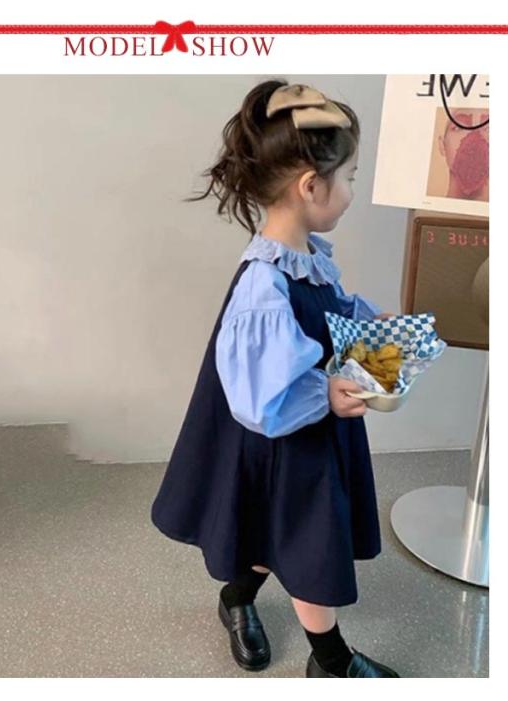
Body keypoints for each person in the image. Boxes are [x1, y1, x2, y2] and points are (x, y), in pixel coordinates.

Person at [150, 80, 400, 678]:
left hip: (307, 432)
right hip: (283, 440)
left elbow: (326, 311)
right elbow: (262, 399)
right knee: (310, 550)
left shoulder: (306, 255)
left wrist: (368, 326)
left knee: (270, 534)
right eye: (350, 177)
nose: (353, 192)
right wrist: (324, 393)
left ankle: (235, 597)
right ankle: (331, 662)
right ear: (311, 186)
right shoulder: (263, 285)